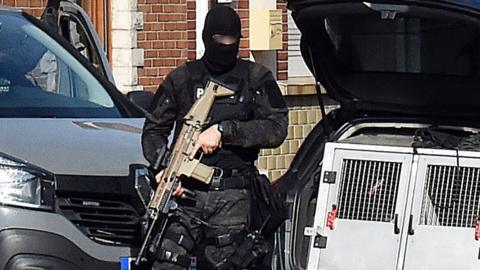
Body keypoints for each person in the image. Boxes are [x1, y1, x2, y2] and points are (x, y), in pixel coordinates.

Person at [141, 5, 288, 270]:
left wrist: (225, 131)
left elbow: (276, 128)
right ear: (207, 38)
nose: (226, 47)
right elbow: (153, 130)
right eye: (220, 41)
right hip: (185, 195)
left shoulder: (255, 78)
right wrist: (163, 169)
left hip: (233, 195)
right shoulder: (182, 79)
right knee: (165, 259)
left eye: (232, 42)